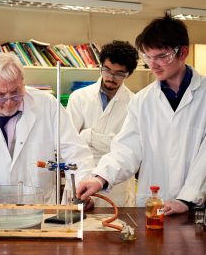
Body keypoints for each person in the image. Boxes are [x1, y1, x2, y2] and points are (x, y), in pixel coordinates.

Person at [76, 13, 206, 216]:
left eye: (162, 57)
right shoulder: (143, 101)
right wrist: (100, 178)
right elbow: (127, 149)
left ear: (183, 53)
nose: (153, 65)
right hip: (155, 204)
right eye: (148, 56)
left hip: (197, 207)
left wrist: (186, 198)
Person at [0, 52, 94, 206]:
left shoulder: (47, 104)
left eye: (15, 93)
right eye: (0, 95)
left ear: (23, 83)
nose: (9, 102)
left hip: (40, 206)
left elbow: (75, 151)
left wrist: (80, 187)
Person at [66, 40, 138, 207]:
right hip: (81, 177)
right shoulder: (79, 97)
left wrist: (88, 136)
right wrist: (111, 142)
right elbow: (70, 144)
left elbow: (128, 150)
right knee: (77, 229)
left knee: (114, 229)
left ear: (128, 73)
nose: (111, 77)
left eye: (119, 73)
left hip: (116, 185)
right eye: (107, 70)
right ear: (101, 67)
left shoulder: (134, 103)